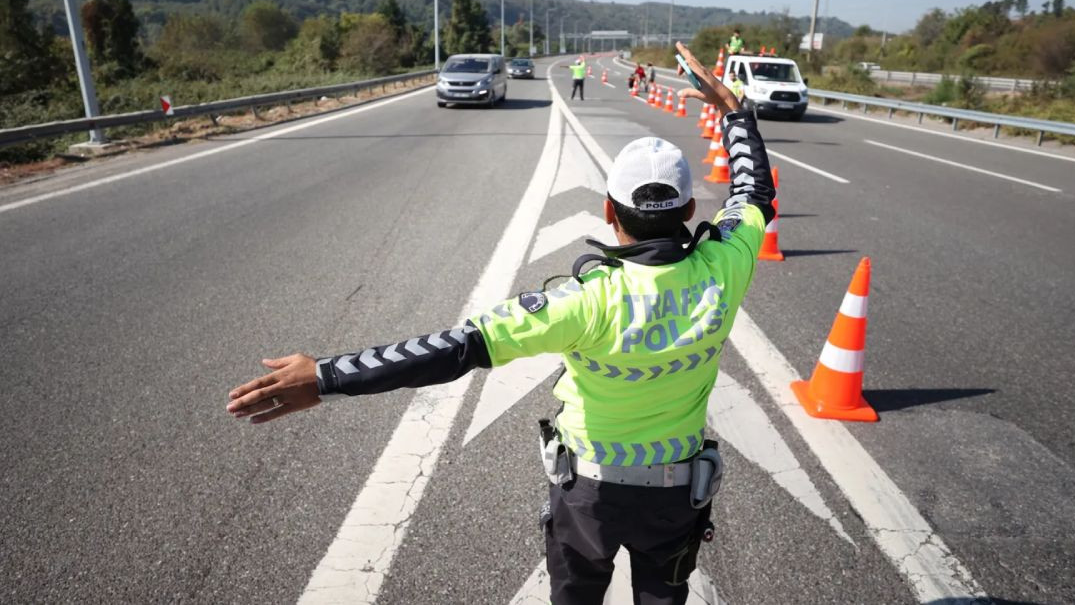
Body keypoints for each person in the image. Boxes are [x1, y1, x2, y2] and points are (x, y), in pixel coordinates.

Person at [225, 41, 776, 605]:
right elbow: (755, 191)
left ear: (608, 211)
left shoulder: (582, 301)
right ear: (689, 211)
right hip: (675, 496)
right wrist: (733, 110)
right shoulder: (725, 266)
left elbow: (453, 349)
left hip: (589, 496)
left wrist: (325, 376)